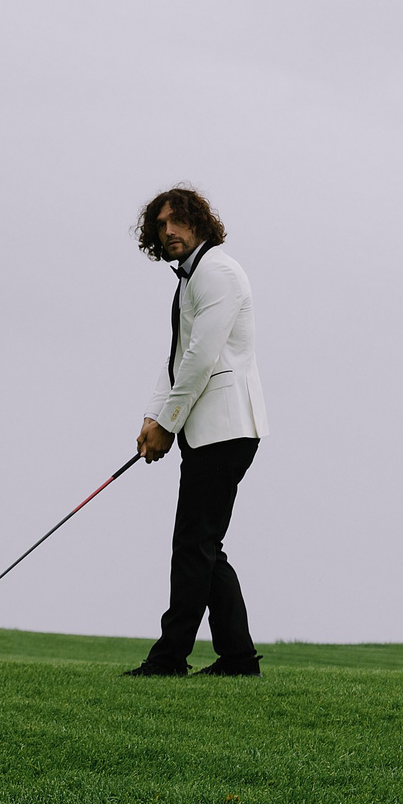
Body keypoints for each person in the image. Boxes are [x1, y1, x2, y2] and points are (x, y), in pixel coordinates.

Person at [123, 186, 269, 677]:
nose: (169, 232)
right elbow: (178, 360)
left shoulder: (217, 272)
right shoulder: (189, 281)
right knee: (204, 546)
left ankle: (169, 659)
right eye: (160, 225)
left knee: (193, 545)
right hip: (208, 430)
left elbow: (202, 360)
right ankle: (238, 659)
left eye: (177, 221)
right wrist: (152, 418)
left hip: (226, 429)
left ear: (200, 223)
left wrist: (167, 424)